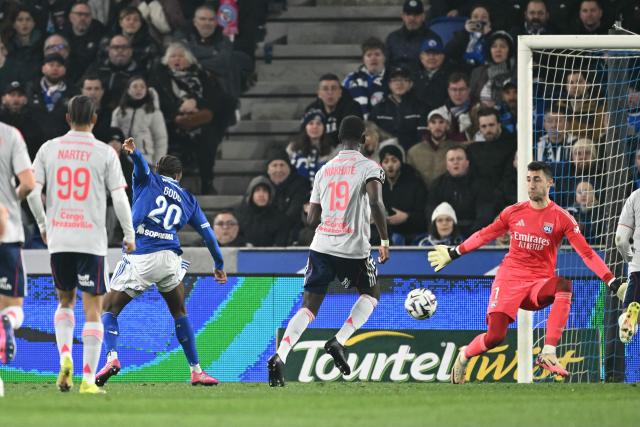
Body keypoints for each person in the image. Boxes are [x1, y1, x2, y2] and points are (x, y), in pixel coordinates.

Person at [428, 161, 625, 383]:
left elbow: (587, 254)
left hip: (538, 285)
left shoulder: (562, 218)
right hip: (509, 279)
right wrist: (454, 252)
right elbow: (485, 235)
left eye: (537, 179)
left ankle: (548, 351)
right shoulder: (513, 212)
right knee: (495, 337)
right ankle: (464, 356)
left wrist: (612, 281)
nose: (531, 185)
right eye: (529, 179)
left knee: (563, 285)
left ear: (550, 183)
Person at [267, 116, 389, 387]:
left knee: (308, 308)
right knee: (371, 293)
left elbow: (311, 219)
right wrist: (384, 239)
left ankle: (280, 356)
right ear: (365, 140)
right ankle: (340, 340)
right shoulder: (370, 167)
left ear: (337, 139)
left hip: (321, 246)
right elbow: (376, 203)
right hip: (353, 249)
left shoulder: (324, 170)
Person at [95, 137, 227, 387]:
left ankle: (112, 358)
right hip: (170, 259)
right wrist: (219, 264)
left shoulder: (148, 179)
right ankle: (197, 370)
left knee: (109, 309)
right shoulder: (188, 198)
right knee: (179, 312)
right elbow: (209, 235)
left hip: (142, 255)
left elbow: (141, 168)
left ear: (158, 170)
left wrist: (134, 154)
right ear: (179, 175)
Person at [26, 95, 136, 394]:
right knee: (93, 309)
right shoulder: (104, 152)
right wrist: (129, 235)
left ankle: (64, 358)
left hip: (60, 238)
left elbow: (32, 192)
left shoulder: (49, 148)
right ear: (95, 120)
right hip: (91, 240)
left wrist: (43, 225)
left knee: (65, 302)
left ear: (67, 118)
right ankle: (88, 379)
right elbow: (120, 198)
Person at [0, 120, 35, 369]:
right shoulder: (10, 134)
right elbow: (29, 183)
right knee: (12, 308)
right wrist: (12, 198)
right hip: (7, 232)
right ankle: (8, 321)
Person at [111, 76, 168, 165]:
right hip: (123, 158)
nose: (139, 89)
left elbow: (160, 139)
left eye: (142, 87)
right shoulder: (119, 112)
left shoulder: (153, 112)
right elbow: (114, 135)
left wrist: (158, 163)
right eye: (135, 86)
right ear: (128, 90)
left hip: (146, 158)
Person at [378, 142, 427, 245]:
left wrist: (407, 217)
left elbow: (424, 215)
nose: (390, 165)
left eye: (394, 161)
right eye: (386, 161)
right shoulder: (376, 185)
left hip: (412, 233)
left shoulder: (415, 183)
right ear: (381, 164)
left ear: (401, 162)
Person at [407, 107, 463, 190]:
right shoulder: (414, 152)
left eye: (441, 122)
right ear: (428, 126)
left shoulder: (457, 149)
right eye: (433, 122)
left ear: (447, 125)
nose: (437, 126)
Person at [369, 66, 424, 150]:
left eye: (403, 79)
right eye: (394, 80)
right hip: (384, 154)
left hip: (413, 154)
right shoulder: (378, 109)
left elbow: (422, 138)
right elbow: (372, 135)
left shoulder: (421, 107)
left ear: (411, 83)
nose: (399, 83)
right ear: (389, 84)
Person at [304, 73, 362, 146]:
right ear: (319, 93)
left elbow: (351, 134)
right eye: (325, 89)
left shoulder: (353, 107)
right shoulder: (312, 110)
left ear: (340, 92)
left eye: (334, 88)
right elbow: (304, 133)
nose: (330, 92)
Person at [615, 188, 640, 344]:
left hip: (638, 268)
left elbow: (621, 240)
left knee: (630, 310)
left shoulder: (636, 196)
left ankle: (626, 319)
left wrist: (631, 260)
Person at [287, 109, 337, 185]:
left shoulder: (332, 151)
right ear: (305, 127)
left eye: (318, 124)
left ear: (324, 128)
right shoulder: (292, 148)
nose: (315, 127)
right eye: (311, 123)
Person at [384, 0, 438, 70]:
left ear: (423, 16)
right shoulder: (392, 38)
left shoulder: (432, 38)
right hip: (395, 78)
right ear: (403, 16)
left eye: (416, 14)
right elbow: (385, 63)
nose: (412, 18)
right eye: (408, 14)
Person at [342, 37, 387, 119]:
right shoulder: (351, 79)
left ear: (384, 57)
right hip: (357, 128)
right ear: (363, 59)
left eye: (377, 54)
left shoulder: (392, 80)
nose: (373, 58)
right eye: (369, 55)